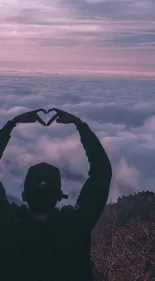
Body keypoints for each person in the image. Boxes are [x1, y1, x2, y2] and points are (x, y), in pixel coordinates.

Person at [0, 107, 112, 281]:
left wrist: (11, 124)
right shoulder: (75, 227)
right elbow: (102, 173)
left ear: (24, 195)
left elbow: (102, 173)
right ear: (60, 196)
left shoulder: (8, 228)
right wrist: (80, 125)